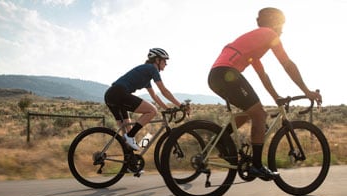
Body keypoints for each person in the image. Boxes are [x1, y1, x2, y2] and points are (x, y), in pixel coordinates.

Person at [208, 7, 322, 180]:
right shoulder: (269, 35)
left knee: (250, 113)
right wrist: (307, 91)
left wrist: (276, 97)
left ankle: (222, 140)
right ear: (274, 23)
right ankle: (257, 166)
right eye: (282, 25)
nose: (282, 30)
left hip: (215, 76)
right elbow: (287, 64)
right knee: (260, 115)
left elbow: (263, 76)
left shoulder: (254, 44)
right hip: (227, 73)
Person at [105, 48, 185, 151]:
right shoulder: (152, 68)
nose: (166, 63)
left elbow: (154, 96)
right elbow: (164, 91)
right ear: (157, 60)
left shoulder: (146, 74)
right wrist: (181, 105)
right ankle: (130, 137)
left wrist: (167, 108)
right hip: (119, 93)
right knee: (152, 110)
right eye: (164, 60)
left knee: (127, 137)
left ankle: (130, 164)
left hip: (111, 95)